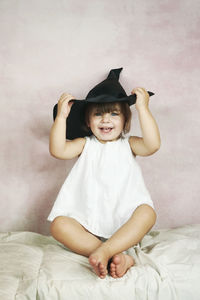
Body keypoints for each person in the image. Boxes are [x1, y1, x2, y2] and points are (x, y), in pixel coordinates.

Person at [48, 68, 161, 279]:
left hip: (124, 219)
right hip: (87, 221)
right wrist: (62, 117)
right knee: (59, 224)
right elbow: (58, 150)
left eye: (114, 113)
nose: (105, 120)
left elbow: (153, 145)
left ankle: (106, 251)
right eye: (98, 114)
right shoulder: (85, 144)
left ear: (125, 121)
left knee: (147, 212)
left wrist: (143, 109)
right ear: (88, 122)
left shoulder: (130, 144)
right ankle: (113, 255)